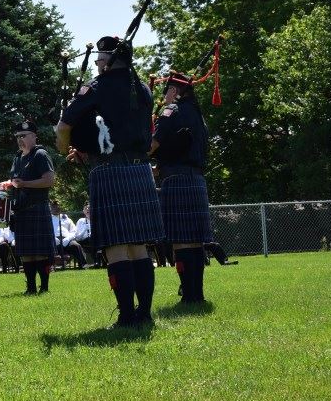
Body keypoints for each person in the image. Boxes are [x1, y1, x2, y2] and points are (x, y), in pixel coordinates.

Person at [57, 35, 165, 327]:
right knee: (138, 246)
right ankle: (144, 314)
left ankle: (127, 316)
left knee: (116, 246)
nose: (96, 64)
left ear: (110, 60)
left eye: (100, 59)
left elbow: (64, 126)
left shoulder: (97, 86)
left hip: (109, 170)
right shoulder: (142, 89)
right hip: (140, 169)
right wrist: (88, 144)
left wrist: (63, 146)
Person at [150, 71, 215, 303]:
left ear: (174, 90)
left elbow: (152, 144)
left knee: (180, 240)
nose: (164, 96)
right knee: (195, 240)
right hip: (196, 178)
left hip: (176, 179)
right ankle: (197, 294)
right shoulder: (198, 115)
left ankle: (188, 295)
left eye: (166, 90)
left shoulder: (171, 111)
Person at [0, 120, 56, 295]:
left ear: (34, 136)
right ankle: (30, 288)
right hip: (21, 209)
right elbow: (16, 180)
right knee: (25, 252)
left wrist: (25, 184)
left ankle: (44, 288)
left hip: (37, 207)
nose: (20, 139)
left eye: (23, 136)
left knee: (40, 252)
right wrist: (7, 184)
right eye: (17, 137)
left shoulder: (40, 154)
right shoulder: (17, 157)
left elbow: (49, 180)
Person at [74, 203, 100, 267]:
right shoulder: (80, 221)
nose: (88, 209)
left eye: (89, 208)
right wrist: (84, 230)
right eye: (86, 208)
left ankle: (99, 262)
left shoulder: (97, 221)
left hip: (95, 240)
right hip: (83, 241)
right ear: (84, 211)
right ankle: (95, 261)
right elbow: (77, 238)